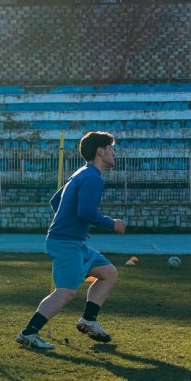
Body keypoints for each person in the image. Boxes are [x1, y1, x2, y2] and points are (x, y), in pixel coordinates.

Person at [16, 131, 127, 350]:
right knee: (66, 292)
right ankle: (28, 333)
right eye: (111, 148)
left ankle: (88, 320)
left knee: (108, 273)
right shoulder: (93, 177)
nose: (114, 153)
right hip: (66, 242)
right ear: (100, 151)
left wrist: (74, 225)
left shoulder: (82, 173)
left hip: (73, 241)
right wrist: (112, 223)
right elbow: (86, 211)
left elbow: (55, 200)